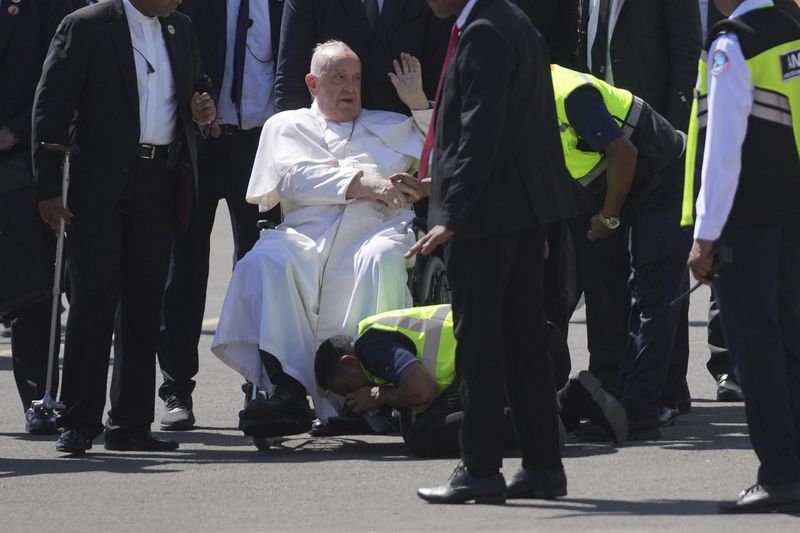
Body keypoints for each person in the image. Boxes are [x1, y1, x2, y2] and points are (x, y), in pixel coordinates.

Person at [412, 0, 587, 505]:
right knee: (523, 343)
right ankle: (542, 466)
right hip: (520, 212)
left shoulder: (485, 29)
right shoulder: (511, 19)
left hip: (488, 218)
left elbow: (479, 130)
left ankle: (480, 468)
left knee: (480, 346)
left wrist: (452, 215)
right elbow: (525, 125)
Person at [211, 41, 433, 437]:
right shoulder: (288, 124)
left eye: (356, 78)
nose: (350, 87)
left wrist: (416, 103)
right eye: (339, 78)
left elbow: (442, 152)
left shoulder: (390, 122)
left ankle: (370, 384)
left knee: (380, 257)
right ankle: (289, 386)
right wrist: (363, 183)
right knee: (267, 260)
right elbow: (294, 177)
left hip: (378, 227)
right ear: (313, 83)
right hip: (307, 234)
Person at [32, 0, 216, 455]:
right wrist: (47, 187)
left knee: (144, 302)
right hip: (97, 183)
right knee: (93, 297)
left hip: (159, 179)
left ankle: (130, 422)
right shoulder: (88, 25)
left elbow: (196, 86)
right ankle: (78, 420)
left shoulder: (181, 28)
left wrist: (203, 108)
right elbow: (51, 105)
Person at [685, 0, 800, 513]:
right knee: (791, 343)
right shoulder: (791, 28)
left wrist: (704, 235)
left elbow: (722, 147)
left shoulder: (733, 42)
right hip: (790, 214)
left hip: (747, 219)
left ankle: (779, 473)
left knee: (755, 347)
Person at [153, 0, 284, 432]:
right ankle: (176, 388)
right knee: (184, 268)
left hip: (263, 148)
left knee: (260, 267)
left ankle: (260, 384)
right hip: (199, 146)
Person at [548, 64, 691, 440]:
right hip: (605, 186)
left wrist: (609, 217)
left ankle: (639, 408)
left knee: (653, 292)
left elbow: (622, 152)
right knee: (602, 288)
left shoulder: (569, 93)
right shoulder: (517, 99)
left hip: (661, 175)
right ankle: (606, 391)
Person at [576, 0, 701, 411]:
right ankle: (610, 380)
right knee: (605, 271)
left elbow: (687, 52)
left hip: (658, 145)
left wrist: (676, 135)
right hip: (602, 150)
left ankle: (667, 388)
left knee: (658, 272)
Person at [314, 305, 627, 457]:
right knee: (437, 421)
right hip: (544, 348)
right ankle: (574, 398)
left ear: (348, 362)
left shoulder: (371, 343)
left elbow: (422, 389)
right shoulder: (385, 335)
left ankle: (531, 423)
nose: (352, 395)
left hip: (510, 357)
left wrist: (380, 396)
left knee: (424, 439)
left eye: (345, 388)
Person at [0, 0, 73, 434]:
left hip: (18, 163)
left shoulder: (45, 6)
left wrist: (17, 129)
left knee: (32, 294)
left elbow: (58, 79)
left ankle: (41, 401)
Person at [274, 0, 450, 115]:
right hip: (329, 138)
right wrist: (296, 144)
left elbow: (442, 81)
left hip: (404, 140)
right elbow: (291, 79)